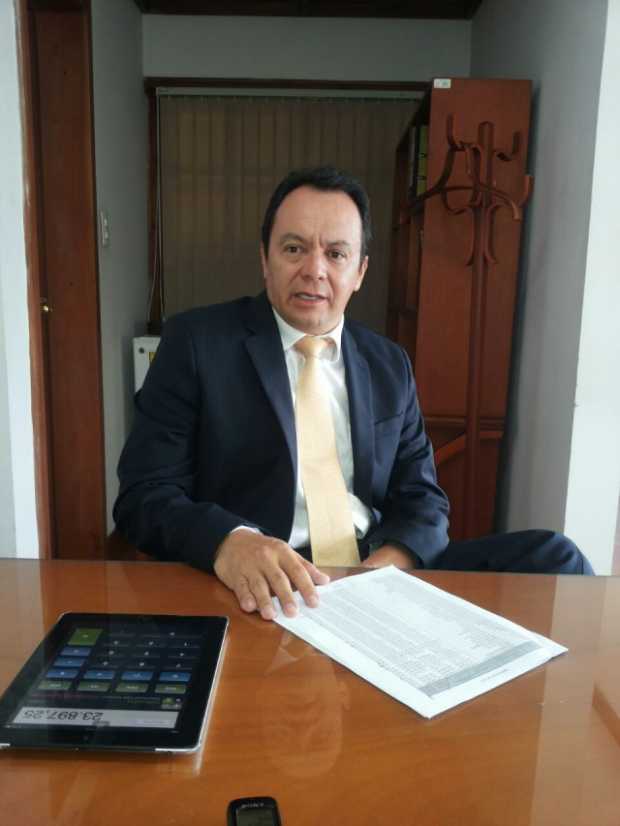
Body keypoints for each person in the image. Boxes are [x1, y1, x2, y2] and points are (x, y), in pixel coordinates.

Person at [114, 166, 592, 622]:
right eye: (294, 248)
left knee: (556, 557)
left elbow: (423, 498)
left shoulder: (388, 364)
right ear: (265, 259)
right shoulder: (197, 344)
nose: (314, 270)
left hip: (373, 568)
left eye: (336, 254)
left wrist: (381, 568)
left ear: (360, 271)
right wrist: (230, 542)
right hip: (267, 578)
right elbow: (144, 496)